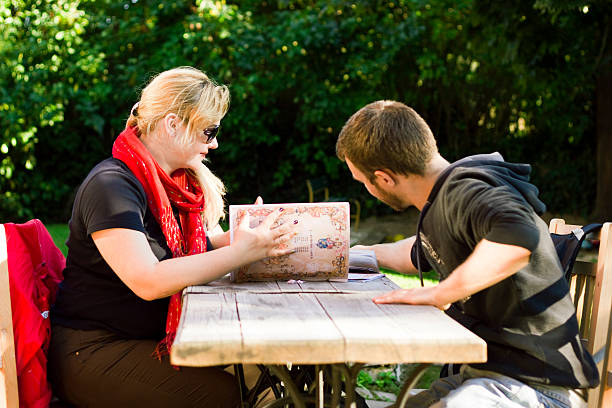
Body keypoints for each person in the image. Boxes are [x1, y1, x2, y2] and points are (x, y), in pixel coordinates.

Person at [48, 67, 295, 407]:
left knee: (268, 372)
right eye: (209, 131)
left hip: (140, 339)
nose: (215, 143)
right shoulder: (111, 186)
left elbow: (192, 252)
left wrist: (239, 238)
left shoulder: (180, 187)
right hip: (92, 350)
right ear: (172, 124)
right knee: (228, 394)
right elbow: (148, 280)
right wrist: (240, 252)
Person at [336, 100, 599, 408]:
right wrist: (358, 254)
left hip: (535, 390)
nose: (367, 188)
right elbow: (417, 250)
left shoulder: (467, 190)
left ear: (383, 178)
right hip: (484, 379)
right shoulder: (446, 198)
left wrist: (441, 292)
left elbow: (518, 237)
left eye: (363, 182)